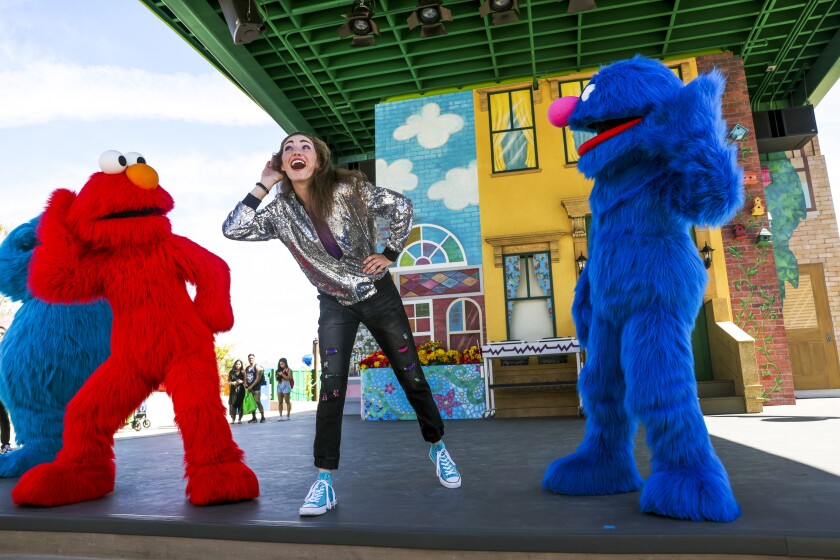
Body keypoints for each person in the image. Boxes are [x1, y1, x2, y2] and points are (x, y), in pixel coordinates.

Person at [223, 132, 461, 518]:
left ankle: (437, 447)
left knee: (411, 375)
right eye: (289, 149)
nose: (297, 152)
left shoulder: (350, 189)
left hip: (378, 295)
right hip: (334, 304)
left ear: (318, 160)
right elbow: (233, 228)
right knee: (330, 389)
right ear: (281, 164)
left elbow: (401, 207)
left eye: (305, 147)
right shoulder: (279, 212)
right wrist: (263, 184)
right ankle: (324, 481)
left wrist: (389, 253)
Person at [244, 353, 266, 423]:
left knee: (258, 402)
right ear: (248, 359)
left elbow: (258, 378)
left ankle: (263, 417)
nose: (251, 359)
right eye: (249, 358)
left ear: (254, 359)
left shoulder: (257, 367)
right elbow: (245, 378)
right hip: (249, 388)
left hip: (256, 388)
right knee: (252, 403)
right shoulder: (247, 368)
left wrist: (252, 386)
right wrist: (245, 384)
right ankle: (254, 417)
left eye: (252, 358)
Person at [228, 359, 246, 424]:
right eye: (236, 364)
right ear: (234, 365)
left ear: (241, 365)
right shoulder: (231, 372)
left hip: (241, 390)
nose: (238, 365)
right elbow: (228, 381)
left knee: (240, 404)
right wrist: (233, 383)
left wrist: (241, 382)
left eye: (239, 364)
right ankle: (233, 419)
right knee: (232, 404)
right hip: (233, 390)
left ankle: (240, 419)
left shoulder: (243, 372)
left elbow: (245, 381)